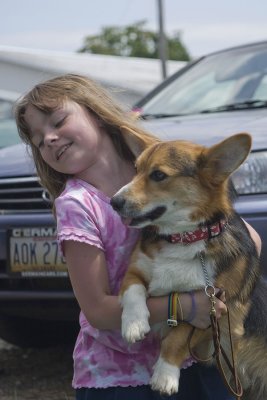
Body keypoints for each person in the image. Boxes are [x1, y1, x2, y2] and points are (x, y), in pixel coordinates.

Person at [14, 74, 261, 400]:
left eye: (58, 121)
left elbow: (250, 240)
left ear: (96, 114)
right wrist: (185, 305)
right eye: (37, 138)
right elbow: (98, 311)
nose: (49, 138)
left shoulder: (155, 164)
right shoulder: (77, 204)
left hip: (192, 357)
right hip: (120, 376)